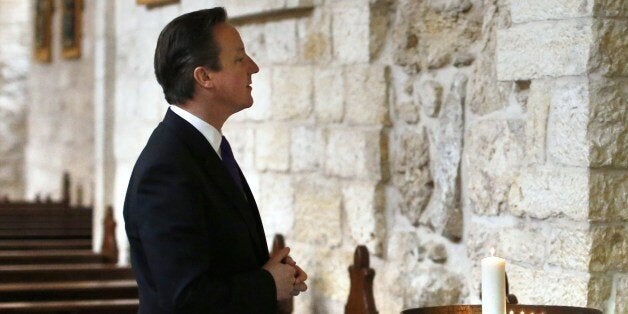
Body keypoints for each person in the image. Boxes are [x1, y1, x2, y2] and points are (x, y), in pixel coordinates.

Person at [123, 7, 307, 314]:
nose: (253, 67)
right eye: (239, 58)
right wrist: (267, 284)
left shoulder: (203, 148)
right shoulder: (166, 169)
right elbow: (185, 298)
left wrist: (272, 274)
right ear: (204, 77)